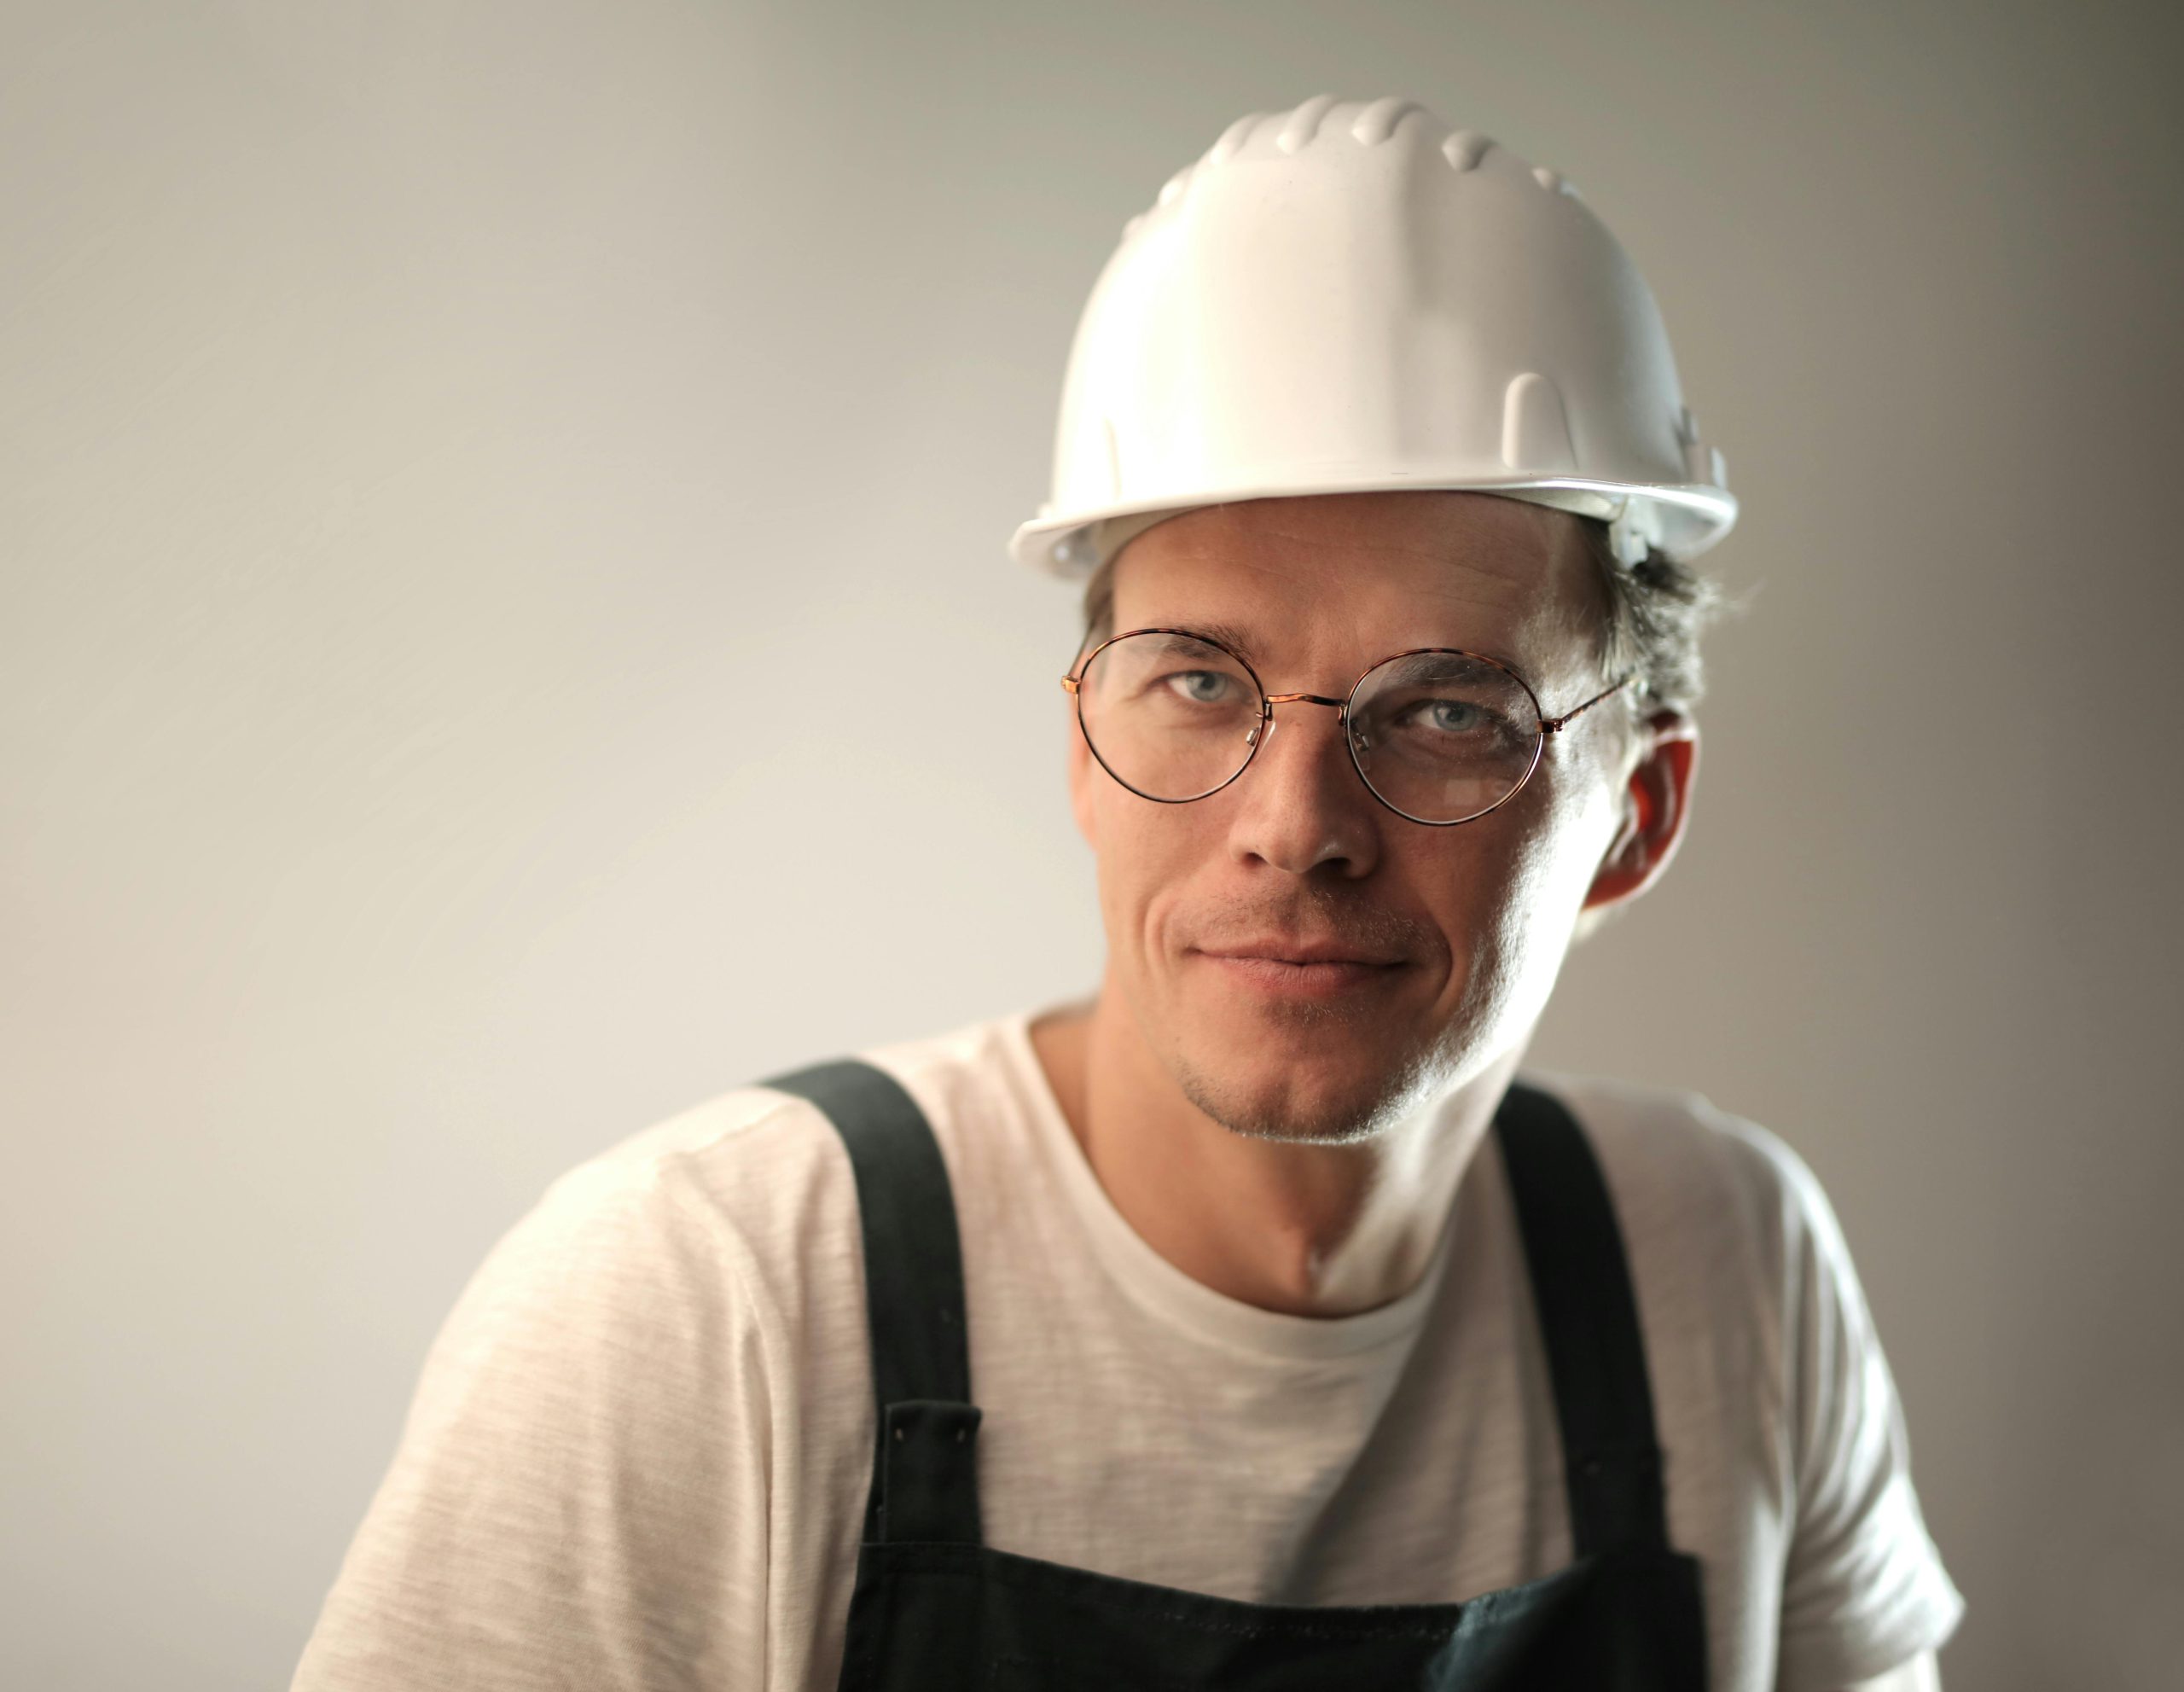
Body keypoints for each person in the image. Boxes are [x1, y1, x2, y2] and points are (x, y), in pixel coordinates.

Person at [292, 96, 1964, 1691]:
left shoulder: (1719, 1267)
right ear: (1083, 752)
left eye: (1445, 708)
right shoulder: (709, 1297)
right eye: (1197, 682)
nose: (1293, 824)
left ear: (1635, 816)